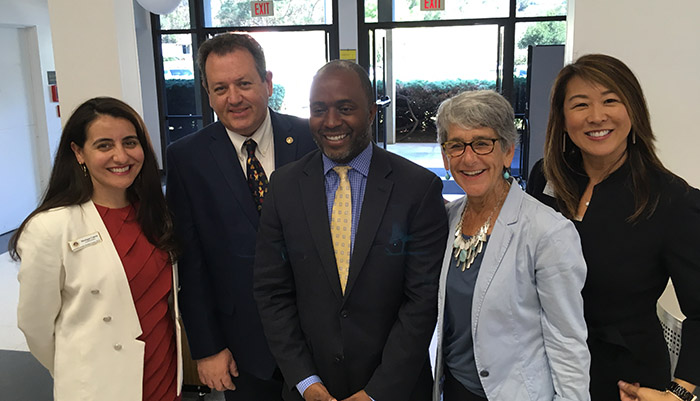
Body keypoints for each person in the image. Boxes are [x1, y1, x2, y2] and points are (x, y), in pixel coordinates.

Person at [253, 60, 448, 401]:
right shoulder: (283, 186)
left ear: (371, 112)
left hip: (394, 390)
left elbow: (422, 300)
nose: (331, 122)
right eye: (319, 110)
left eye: (345, 108)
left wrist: (376, 393)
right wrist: (305, 381)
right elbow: (272, 292)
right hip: (311, 390)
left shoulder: (418, 189)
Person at [526, 54, 700, 400]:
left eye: (610, 100)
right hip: (542, 366)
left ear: (633, 110)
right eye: (580, 105)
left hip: (626, 382)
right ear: (562, 119)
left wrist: (680, 393)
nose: (596, 116)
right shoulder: (546, 177)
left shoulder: (671, 199)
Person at [166, 32, 316, 400]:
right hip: (242, 349)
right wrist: (206, 347)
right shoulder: (187, 159)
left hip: (319, 339)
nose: (233, 98)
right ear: (208, 92)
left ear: (267, 83)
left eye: (244, 83)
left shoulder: (312, 139)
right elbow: (192, 262)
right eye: (220, 88)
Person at [10, 97, 181, 401]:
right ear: (78, 153)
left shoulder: (156, 215)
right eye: (104, 145)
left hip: (163, 373)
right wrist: (79, 369)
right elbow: (35, 326)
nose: (120, 155)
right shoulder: (51, 227)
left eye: (130, 142)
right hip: (100, 385)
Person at [432, 90, 590, 401]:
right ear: (445, 156)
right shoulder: (445, 220)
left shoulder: (548, 232)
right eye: (456, 145)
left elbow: (567, 341)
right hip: (451, 389)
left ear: (507, 151)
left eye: (482, 143)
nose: (468, 157)